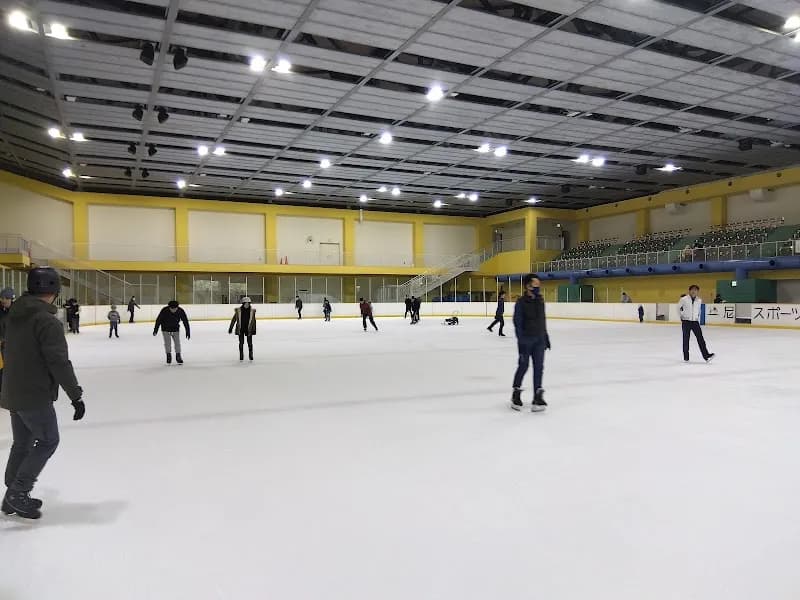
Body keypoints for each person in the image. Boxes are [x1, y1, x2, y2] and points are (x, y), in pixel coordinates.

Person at [1, 267, 85, 519]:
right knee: (48, 440)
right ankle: (18, 492)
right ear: (54, 291)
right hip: (34, 394)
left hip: (13, 390)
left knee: (23, 443)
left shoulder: (14, 315)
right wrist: (75, 395)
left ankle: (10, 496)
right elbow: (58, 362)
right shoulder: (46, 321)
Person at [511, 273, 551, 412]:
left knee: (539, 367)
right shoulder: (521, 302)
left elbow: (542, 320)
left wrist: (545, 337)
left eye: (539, 285)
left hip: (539, 340)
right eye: (535, 285)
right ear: (528, 286)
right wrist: (521, 340)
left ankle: (537, 396)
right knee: (524, 365)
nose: (538, 287)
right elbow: (517, 322)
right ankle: (516, 392)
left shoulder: (540, 300)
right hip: (526, 340)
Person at [679, 285, 714, 363]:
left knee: (700, 339)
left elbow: (698, 310)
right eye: (692, 290)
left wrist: (697, 317)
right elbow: (678, 308)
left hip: (695, 322)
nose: (694, 291)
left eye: (695, 290)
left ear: (697, 291)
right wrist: (682, 316)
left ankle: (706, 355)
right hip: (686, 321)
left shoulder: (699, 300)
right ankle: (686, 357)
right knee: (686, 339)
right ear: (689, 291)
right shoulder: (683, 299)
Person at [153, 300, 190, 365]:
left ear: (177, 307)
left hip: (175, 329)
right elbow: (158, 320)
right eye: (172, 308)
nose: (173, 310)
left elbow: (185, 321)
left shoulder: (180, 311)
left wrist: (188, 331)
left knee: (177, 343)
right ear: (169, 307)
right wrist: (155, 330)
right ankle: (168, 356)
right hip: (165, 329)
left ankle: (178, 356)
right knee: (167, 343)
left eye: (175, 308)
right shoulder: (164, 310)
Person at [228, 297, 256, 361]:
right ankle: (241, 355)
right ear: (243, 303)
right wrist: (230, 328)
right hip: (240, 329)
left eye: (248, 303)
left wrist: (254, 330)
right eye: (245, 303)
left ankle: (250, 354)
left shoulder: (252, 311)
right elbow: (233, 320)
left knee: (250, 343)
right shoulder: (238, 311)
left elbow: (254, 321)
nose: (247, 305)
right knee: (241, 343)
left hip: (249, 329)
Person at [0, 288, 15, 394]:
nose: (3, 300)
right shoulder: (1, 311)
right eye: (2, 298)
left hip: (11, 346)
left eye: (6, 298)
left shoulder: (17, 312)